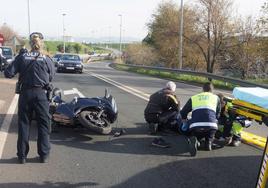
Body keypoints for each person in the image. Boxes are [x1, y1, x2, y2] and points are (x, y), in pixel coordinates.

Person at [4, 32, 55, 164]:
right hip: (41, 94)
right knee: (43, 125)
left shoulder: (22, 57)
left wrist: (19, 56)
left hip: (25, 94)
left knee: (24, 124)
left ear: (30, 44)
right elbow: (51, 76)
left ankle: (22, 156)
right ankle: (43, 155)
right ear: (41, 43)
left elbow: (8, 73)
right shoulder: (46, 58)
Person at [180, 82, 221, 156]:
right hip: (211, 126)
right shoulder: (216, 98)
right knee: (210, 133)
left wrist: (184, 120)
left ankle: (196, 141)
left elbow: (183, 112)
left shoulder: (194, 97)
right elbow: (218, 115)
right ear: (212, 90)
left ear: (203, 89)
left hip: (196, 126)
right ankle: (208, 143)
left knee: (194, 132)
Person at [144, 81, 180, 147]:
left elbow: (151, 98)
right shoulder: (171, 94)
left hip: (146, 116)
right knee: (175, 111)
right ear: (173, 89)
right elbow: (177, 108)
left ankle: (154, 124)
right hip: (157, 117)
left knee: (161, 110)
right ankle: (165, 128)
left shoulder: (157, 93)